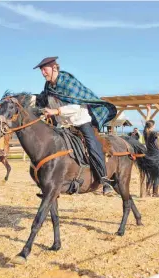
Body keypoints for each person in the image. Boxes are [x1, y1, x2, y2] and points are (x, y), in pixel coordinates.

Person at [33, 56, 118, 195]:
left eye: (44, 70)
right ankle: (52, 184)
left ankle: (104, 180)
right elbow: (43, 100)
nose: (43, 73)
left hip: (80, 122)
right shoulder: (48, 86)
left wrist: (56, 111)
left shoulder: (68, 82)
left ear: (54, 68)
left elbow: (76, 107)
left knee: (92, 145)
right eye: (41, 71)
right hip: (62, 125)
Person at [143, 104, 159, 197]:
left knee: (150, 174)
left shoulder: (145, 132)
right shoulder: (153, 133)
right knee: (156, 175)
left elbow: (147, 122)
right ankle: (155, 193)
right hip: (155, 156)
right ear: (153, 126)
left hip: (148, 155)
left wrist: (148, 111)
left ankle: (147, 191)